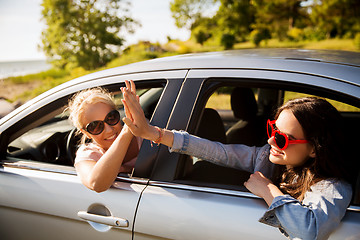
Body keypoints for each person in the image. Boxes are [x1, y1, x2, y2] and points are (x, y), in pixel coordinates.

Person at [121, 80, 352, 240]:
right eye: (273, 130)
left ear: (314, 148)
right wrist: (154, 134)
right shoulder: (266, 157)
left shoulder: (333, 186)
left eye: (283, 139)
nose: (271, 141)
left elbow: (310, 230)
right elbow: (217, 151)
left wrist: (268, 190)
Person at [67, 87, 142, 193]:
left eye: (111, 118)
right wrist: (127, 131)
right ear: (85, 133)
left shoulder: (142, 133)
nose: (109, 130)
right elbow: (96, 184)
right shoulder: (89, 154)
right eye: (96, 126)